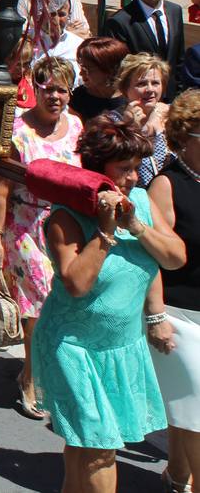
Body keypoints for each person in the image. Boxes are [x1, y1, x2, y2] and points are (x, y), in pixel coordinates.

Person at [34, 114, 183, 492]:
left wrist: (136, 227)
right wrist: (104, 229)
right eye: (124, 169)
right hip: (73, 347)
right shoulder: (65, 217)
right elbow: (77, 283)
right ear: (98, 172)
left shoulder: (140, 202)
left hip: (120, 346)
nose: (133, 178)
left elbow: (171, 258)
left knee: (83, 445)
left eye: (136, 168)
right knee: (101, 446)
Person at [0, 55, 83, 418]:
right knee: (40, 306)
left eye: (63, 89)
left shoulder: (76, 127)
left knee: (62, 301)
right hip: (26, 224)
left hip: (67, 223)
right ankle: (31, 380)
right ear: (37, 90)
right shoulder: (18, 130)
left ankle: (39, 367)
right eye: (49, 89)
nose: (56, 96)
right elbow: (2, 188)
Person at [146, 90, 200, 493]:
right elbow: (154, 256)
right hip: (182, 315)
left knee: (190, 410)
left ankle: (177, 476)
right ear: (187, 135)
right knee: (197, 411)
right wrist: (157, 314)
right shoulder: (167, 184)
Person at [105, 0, 185, 95]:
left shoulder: (175, 11)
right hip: (141, 97)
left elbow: (179, 58)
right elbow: (118, 70)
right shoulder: (120, 22)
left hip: (172, 97)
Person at [120, 52, 172, 187]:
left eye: (155, 83)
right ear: (125, 89)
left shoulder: (174, 116)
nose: (150, 89)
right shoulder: (113, 121)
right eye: (142, 83)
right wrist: (130, 129)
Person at [70, 36, 131, 121]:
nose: (81, 73)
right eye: (81, 68)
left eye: (88, 69)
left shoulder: (131, 95)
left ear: (110, 70)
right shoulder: (76, 99)